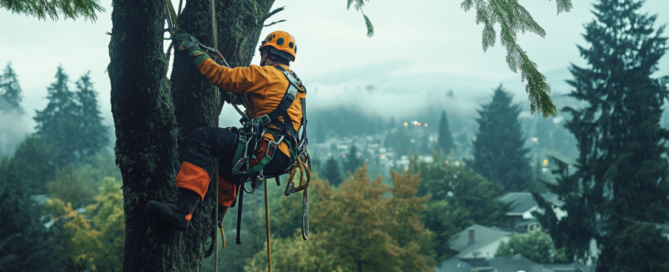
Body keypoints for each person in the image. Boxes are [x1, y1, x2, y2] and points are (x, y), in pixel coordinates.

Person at [145, 30, 306, 231]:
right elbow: (269, 105)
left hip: (265, 148)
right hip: (282, 157)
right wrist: (240, 96)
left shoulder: (262, 73)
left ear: (265, 54)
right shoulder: (295, 85)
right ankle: (216, 218)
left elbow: (222, 76)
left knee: (202, 138)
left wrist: (193, 50)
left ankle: (182, 209)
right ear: (289, 59)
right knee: (228, 162)